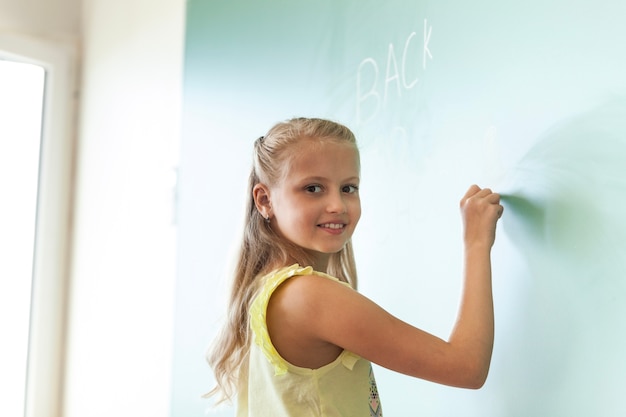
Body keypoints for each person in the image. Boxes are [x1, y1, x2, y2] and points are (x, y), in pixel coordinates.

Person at [206, 117, 503, 416]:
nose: (337, 204)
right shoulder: (309, 295)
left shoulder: (264, 288)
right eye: (313, 188)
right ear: (265, 199)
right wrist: (476, 242)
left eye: (349, 188)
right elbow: (466, 367)